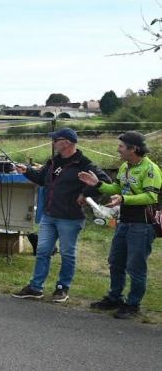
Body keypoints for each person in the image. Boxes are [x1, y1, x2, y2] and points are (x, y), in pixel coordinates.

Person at [12, 128, 110, 303]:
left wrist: (85, 193)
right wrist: (26, 170)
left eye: (55, 140)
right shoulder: (53, 162)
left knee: (67, 253)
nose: (53, 143)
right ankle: (36, 288)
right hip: (49, 215)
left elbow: (104, 183)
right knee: (42, 251)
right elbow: (41, 179)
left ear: (66, 143)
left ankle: (62, 288)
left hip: (70, 217)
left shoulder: (85, 163)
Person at [79, 131, 162, 319]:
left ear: (134, 149)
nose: (118, 149)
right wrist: (98, 184)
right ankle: (114, 297)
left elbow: (151, 196)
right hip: (124, 222)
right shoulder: (125, 166)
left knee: (136, 266)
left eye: (121, 146)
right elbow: (115, 188)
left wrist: (124, 198)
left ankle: (133, 305)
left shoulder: (151, 169)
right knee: (115, 262)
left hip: (142, 225)